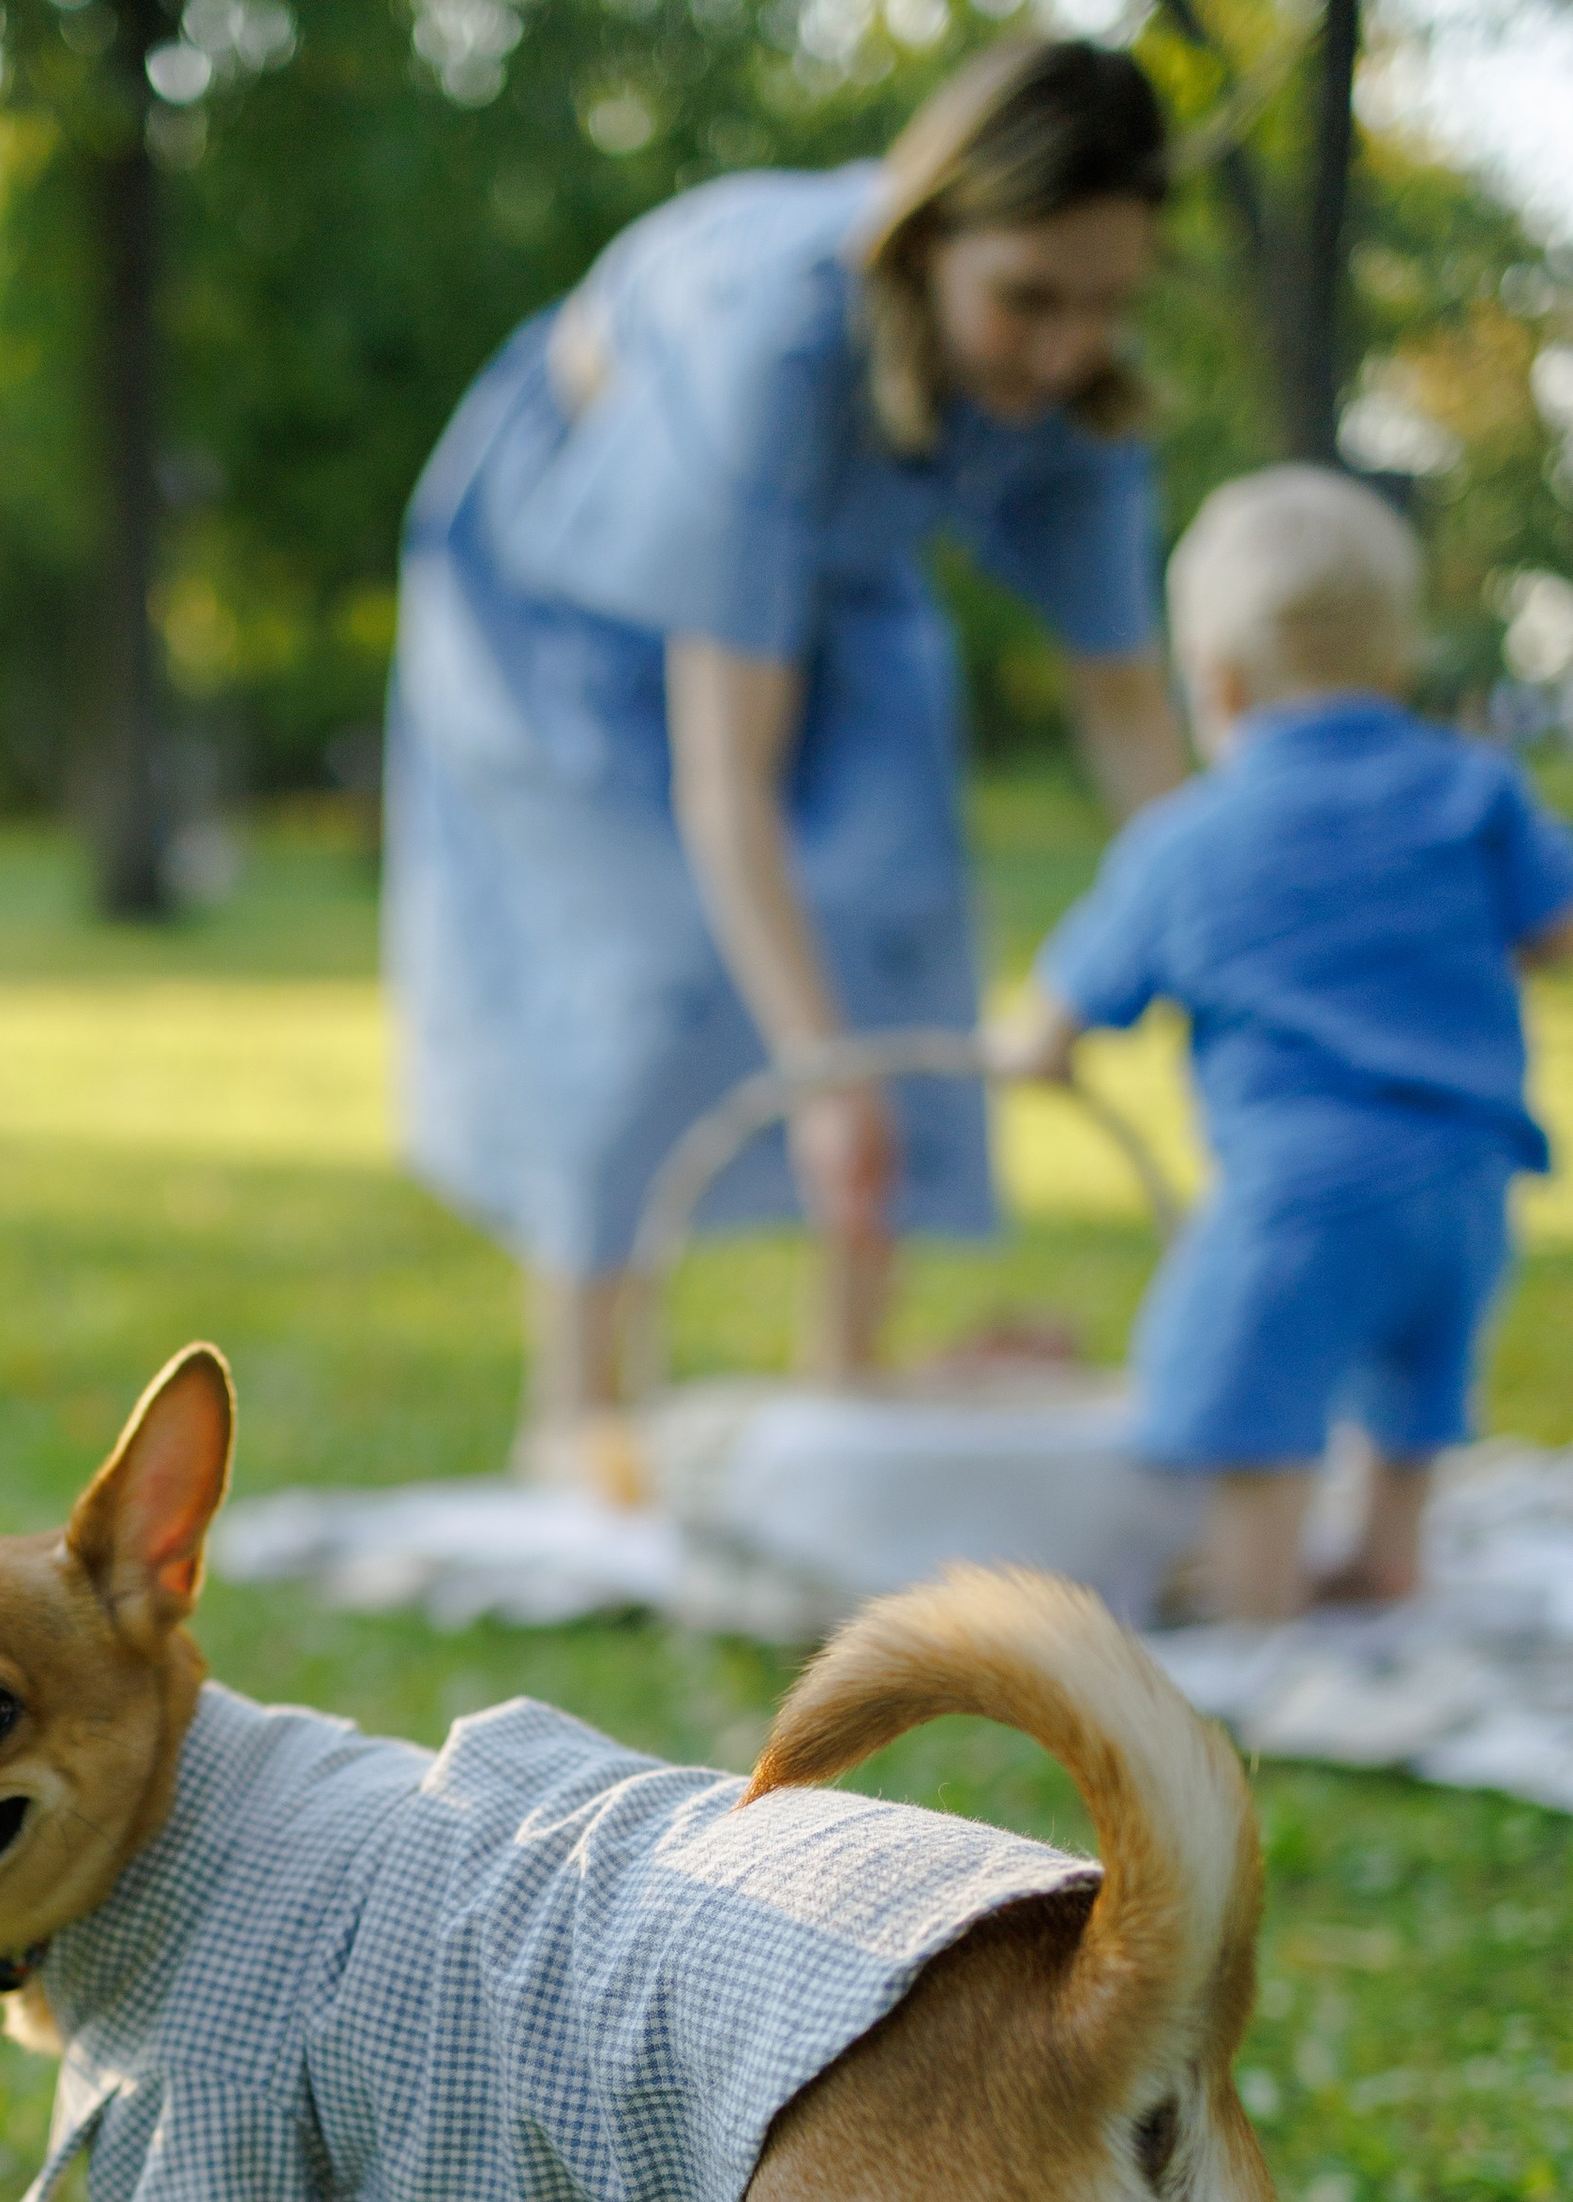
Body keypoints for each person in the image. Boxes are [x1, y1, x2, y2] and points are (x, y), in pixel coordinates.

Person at [386, 32, 1188, 1489]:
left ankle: (847, 1382)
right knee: (650, 965)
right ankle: (579, 1414)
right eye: (1027, 299)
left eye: (1106, 306)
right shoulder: (783, 339)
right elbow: (725, 783)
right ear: (928, 237)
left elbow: (1130, 709)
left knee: (891, 897)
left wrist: (1239, 941)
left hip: (833, 579)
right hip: (563, 601)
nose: (1069, 346)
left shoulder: (1073, 386)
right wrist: (822, 1075)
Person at [994, 466, 1573, 1621]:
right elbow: (1555, 933)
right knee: (1414, 1385)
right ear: (1395, 661)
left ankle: (1257, 1606)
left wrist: (1032, 1050)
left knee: (1244, 1389)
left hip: (1302, 1192)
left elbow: (1052, 1021)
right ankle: (1386, 1557)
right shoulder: (1473, 791)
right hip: (1467, 1182)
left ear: (1212, 680)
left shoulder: (1185, 841)